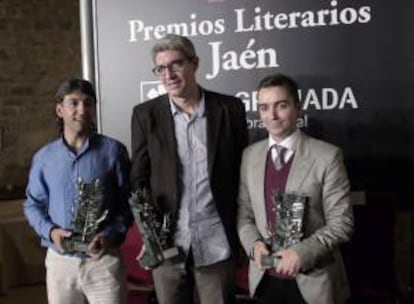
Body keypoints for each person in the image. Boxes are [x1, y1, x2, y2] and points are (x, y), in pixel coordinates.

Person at [130, 34, 248, 304]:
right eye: (160, 68)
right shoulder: (145, 115)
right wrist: (149, 235)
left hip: (217, 241)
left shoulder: (229, 109)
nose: (168, 74)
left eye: (176, 64)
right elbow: (139, 178)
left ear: (194, 64)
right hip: (168, 244)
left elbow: (243, 174)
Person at [237, 74, 353, 304]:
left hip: (312, 282)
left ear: (298, 107)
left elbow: (342, 223)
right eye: (264, 107)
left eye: (281, 105)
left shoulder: (327, 156)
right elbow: (244, 215)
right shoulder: (249, 156)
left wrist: (302, 253)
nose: (272, 116)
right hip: (264, 280)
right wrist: (254, 246)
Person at [24, 79, 132, 304]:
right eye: (74, 103)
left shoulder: (114, 151)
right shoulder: (44, 158)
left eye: (88, 103)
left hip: (104, 261)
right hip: (60, 263)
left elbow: (127, 203)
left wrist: (109, 235)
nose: (82, 110)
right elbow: (33, 204)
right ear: (59, 109)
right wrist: (51, 232)